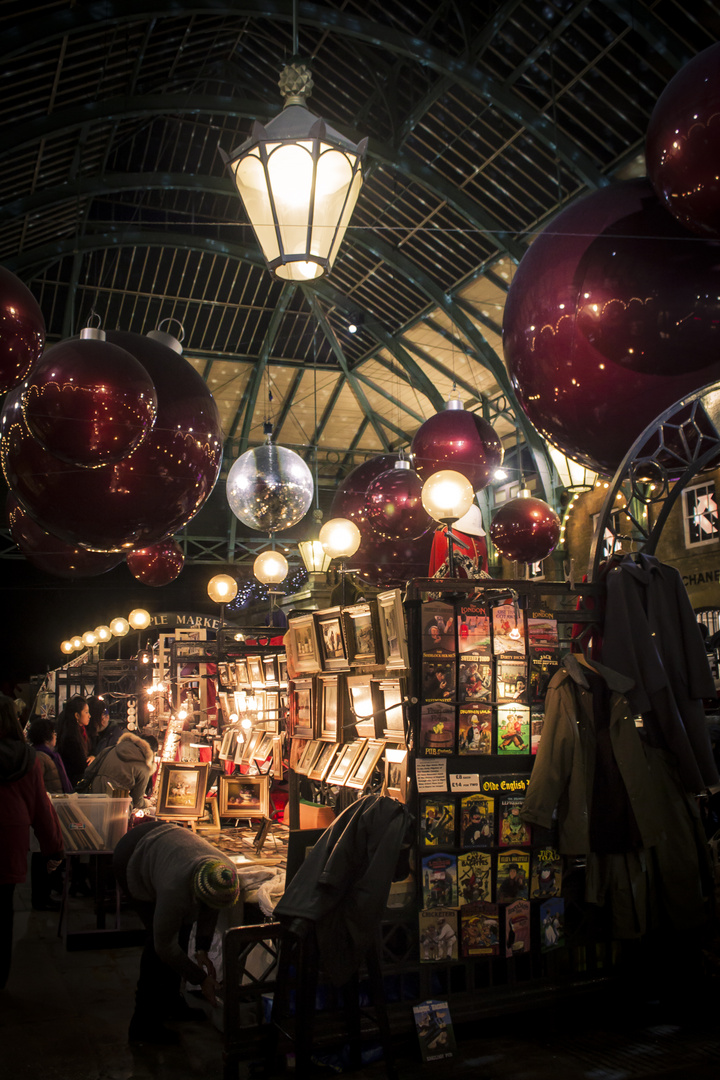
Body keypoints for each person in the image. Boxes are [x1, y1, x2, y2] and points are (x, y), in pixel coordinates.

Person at [113, 819, 240, 1045]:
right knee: (157, 945)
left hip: (169, 848)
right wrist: (201, 979)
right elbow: (165, 946)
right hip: (132, 852)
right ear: (194, 892)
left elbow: (211, 908)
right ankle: (143, 1025)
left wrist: (202, 948)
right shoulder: (175, 889)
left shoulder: (223, 872)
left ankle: (171, 1003)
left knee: (183, 931)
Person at [0, 695, 64, 987]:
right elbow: (41, 807)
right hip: (8, 841)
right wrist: (54, 847)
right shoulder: (26, 759)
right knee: (3, 909)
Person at [27, 717, 72, 910]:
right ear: (47, 736)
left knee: (46, 854)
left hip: (51, 810)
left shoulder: (47, 755)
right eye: (53, 733)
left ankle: (45, 894)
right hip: (44, 812)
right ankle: (40, 898)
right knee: (41, 856)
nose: (55, 737)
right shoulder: (40, 757)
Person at [81, 731, 157, 809]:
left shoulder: (110, 749)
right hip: (116, 808)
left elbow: (89, 772)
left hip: (92, 800)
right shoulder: (144, 767)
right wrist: (147, 803)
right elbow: (138, 801)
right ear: (152, 753)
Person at [56, 695, 93, 787]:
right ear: (77, 715)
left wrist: (93, 757)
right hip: (72, 783)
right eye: (86, 712)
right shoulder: (70, 737)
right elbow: (80, 765)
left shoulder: (81, 732)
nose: (89, 716)